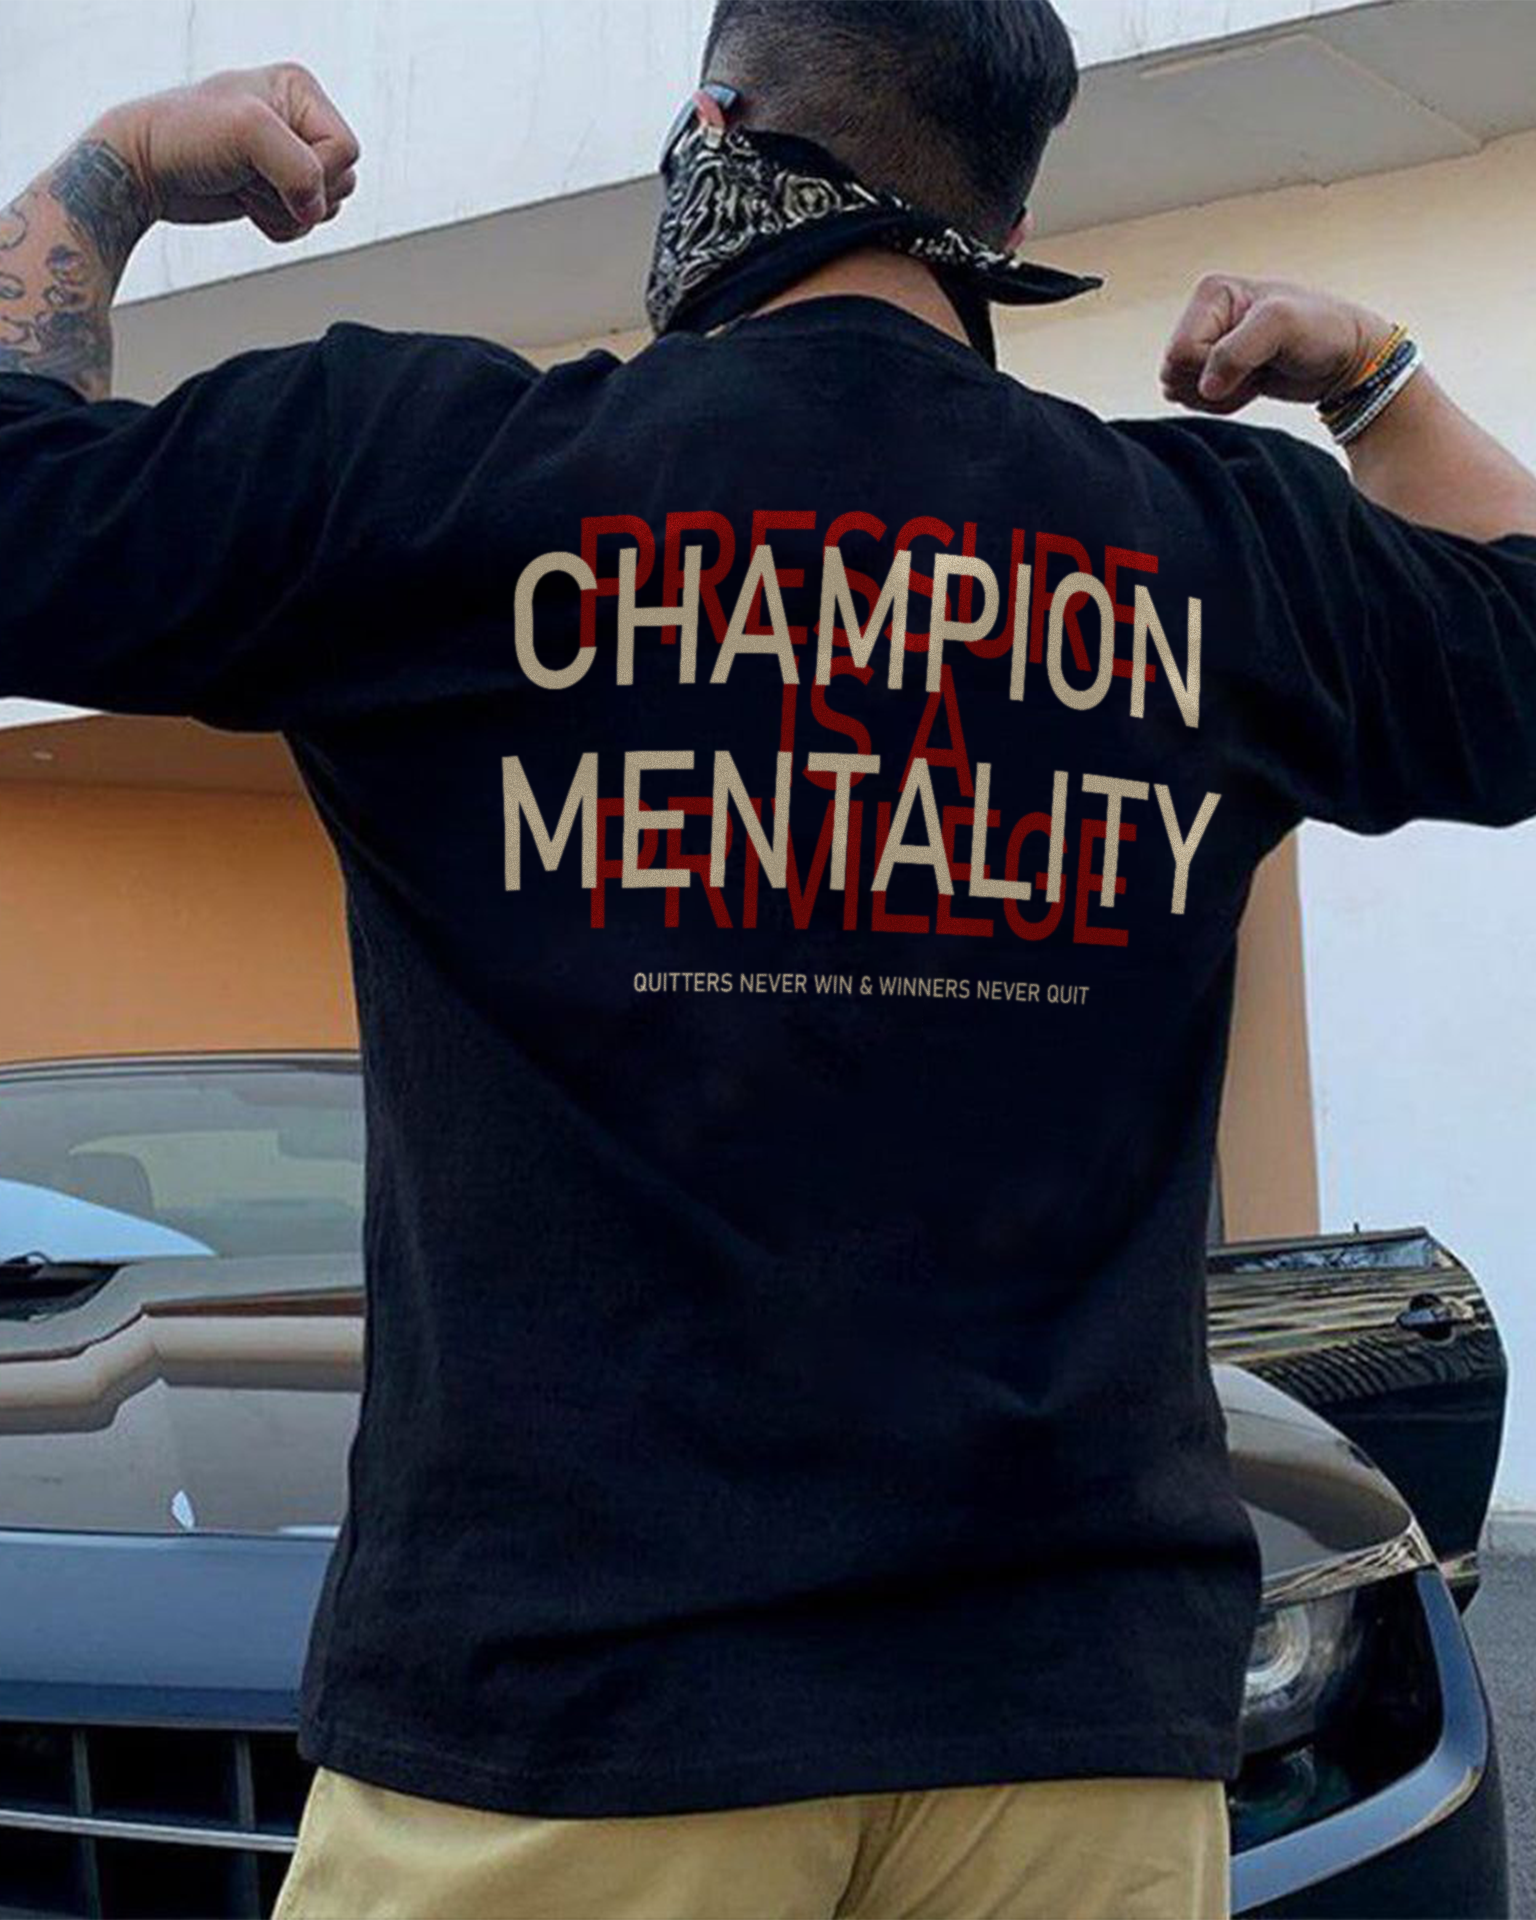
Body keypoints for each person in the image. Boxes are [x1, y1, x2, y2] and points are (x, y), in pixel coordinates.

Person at [2, 4, 1534, 1916]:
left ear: (712, 136)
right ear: (1001, 216)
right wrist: (1375, 377)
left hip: (579, 1732)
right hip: (1074, 1739)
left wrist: (117, 171)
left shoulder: (434, 477)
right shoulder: (1215, 554)